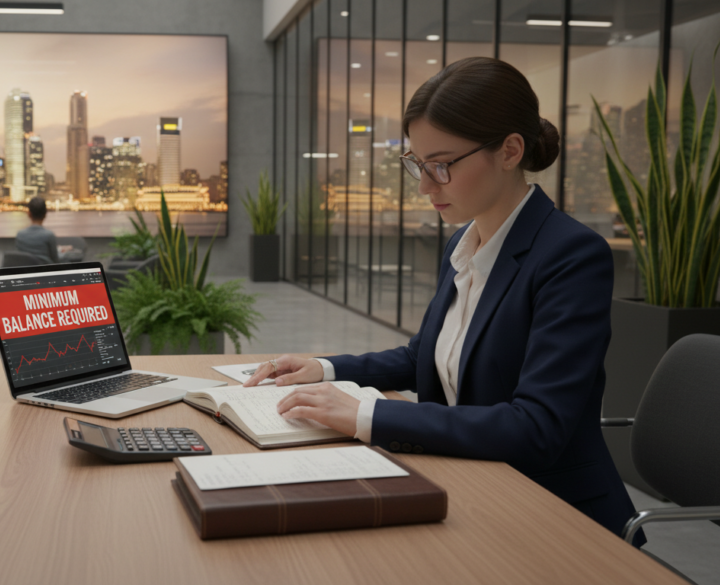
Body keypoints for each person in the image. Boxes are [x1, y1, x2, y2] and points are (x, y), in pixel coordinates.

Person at [244, 57, 644, 546]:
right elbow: (424, 356)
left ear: (510, 151)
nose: (425, 185)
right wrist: (323, 368)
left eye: (442, 165)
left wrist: (366, 416)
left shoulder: (571, 255)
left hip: (554, 516)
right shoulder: (464, 243)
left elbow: (536, 427)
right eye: (417, 163)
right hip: (472, 488)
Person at [15, 196, 60, 265]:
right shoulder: (49, 235)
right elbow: (56, 260)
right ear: (45, 214)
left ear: (29, 214)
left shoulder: (20, 235)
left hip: (27, 272)